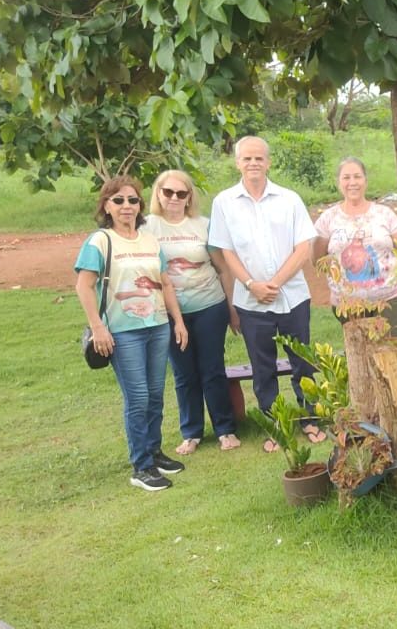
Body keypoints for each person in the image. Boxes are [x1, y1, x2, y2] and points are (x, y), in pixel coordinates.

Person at [208, 136, 324, 450]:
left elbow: (304, 248)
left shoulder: (289, 199)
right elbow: (226, 251)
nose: (253, 163)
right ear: (237, 163)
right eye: (247, 159)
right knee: (263, 367)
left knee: (302, 362)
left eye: (259, 158)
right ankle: (277, 426)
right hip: (251, 301)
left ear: (268, 162)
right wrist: (251, 285)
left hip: (293, 297)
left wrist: (274, 283)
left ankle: (311, 418)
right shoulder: (224, 203)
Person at [74, 176, 189, 491]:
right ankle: (141, 466)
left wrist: (177, 320)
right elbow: (84, 286)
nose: (127, 206)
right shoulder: (100, 241)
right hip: (122, 333)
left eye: (133, 200)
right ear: (106, 206)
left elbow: (165, 283)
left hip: (157, 326)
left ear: (140, 205)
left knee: (155, 394)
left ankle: (154, 450)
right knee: (137, 397)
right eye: (119, 200)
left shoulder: (149, 240)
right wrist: (98, 327)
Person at [145, 169, 241, 454]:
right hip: (168, 313)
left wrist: (231, 308)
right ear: (158, 195)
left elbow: (222, 267)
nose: (174, 198)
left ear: (189, 198)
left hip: (209, 305)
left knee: (212, 369)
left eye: (181, 193)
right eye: (168, 192)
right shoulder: (147, 227)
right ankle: (192, 432)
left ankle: (225, 429)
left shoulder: (204, 225)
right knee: (183, 372)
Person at [313, 157, 397, 337]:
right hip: (348, 304)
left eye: (357, 177)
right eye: (346, 178)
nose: (352, 183)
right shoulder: (328, 218)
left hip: (390, 299)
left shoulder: (384, 214)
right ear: (338, 182)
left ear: (365, 180)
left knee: (391, 356)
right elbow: (317, 260)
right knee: (359, 358)